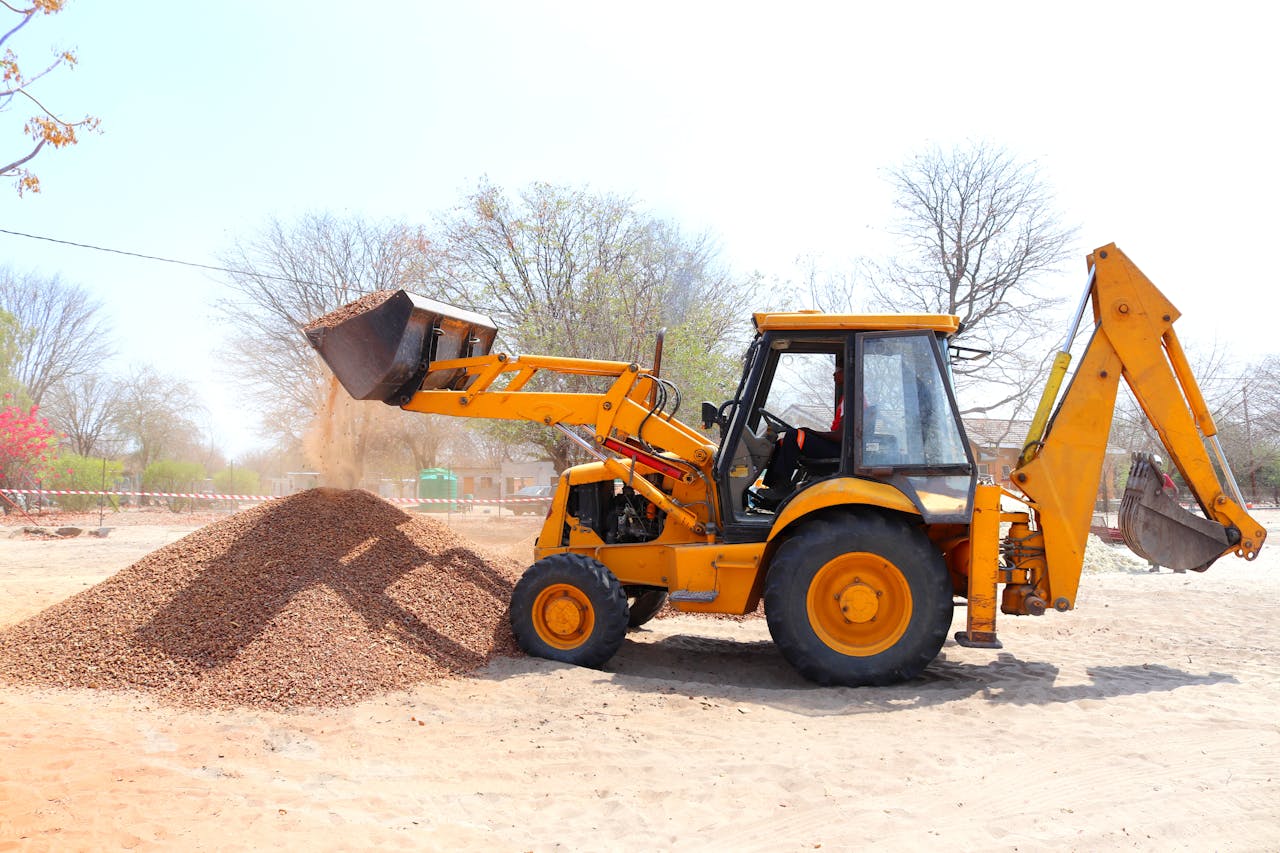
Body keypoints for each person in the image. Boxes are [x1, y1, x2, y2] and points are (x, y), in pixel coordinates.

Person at [756, 366, 844, 505]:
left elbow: (840, 436)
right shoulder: (848, 398)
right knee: (783, 441)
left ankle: (782, 488)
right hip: (837, 446)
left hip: (840, 450)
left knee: (794, 436)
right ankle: (773, 488)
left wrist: (811, 432)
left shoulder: (852, 399)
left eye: (838, 370)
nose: (834, 374)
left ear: (847, 372)